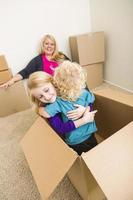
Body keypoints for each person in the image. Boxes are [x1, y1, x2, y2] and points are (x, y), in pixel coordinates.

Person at [28, 61, 98, 155]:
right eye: (40, 96)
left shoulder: (73, 91)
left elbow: (89, 100)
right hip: (76, 142)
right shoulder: (54, 105)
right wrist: (84, 120)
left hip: (90, 133)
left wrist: (85, 109)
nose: (47, 97)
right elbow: (60, 128)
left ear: (54, 83)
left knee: (96, 153)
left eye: (47, 90)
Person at [0, 34, 69, 89]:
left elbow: (72, 68)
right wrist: (12, 80)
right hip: (48, 93)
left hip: (64, 89)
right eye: (46, 43)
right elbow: (25, 72)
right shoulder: (37, 60)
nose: (49, 46)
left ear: (55, 46)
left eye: (52, 44)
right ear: (43, 45)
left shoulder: (61, 56)